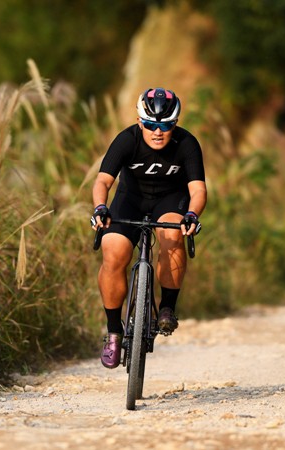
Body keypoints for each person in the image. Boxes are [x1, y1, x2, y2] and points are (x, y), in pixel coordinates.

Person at [90, 87, 206, 369]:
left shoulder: (187, 144)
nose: (158, 132)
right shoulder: (126, 140)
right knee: (113, 251)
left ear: (175, 123)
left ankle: (167, 306)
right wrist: (100, 207)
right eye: (151, 125)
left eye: (165, 125)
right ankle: (114, 332)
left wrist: (191, 214)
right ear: (141, 122)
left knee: (172, 234)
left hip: (169, 200)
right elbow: (103, 181)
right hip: (130, 200)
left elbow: (198, 189)